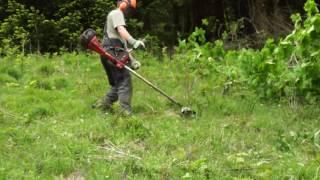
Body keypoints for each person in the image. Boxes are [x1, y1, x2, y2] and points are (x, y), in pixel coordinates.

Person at [93, 0, 145, 115]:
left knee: (117, 85)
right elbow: (122, 30)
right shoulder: (117, 13)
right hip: (113, 52)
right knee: (124, 82)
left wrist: (133, 61)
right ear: (123, 4)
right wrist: (134, 41)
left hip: (109, 53)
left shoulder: (116, 19)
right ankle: (125, 112)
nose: (129, 11)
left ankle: (102, 105)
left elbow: (124, 49)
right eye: (129, 8)